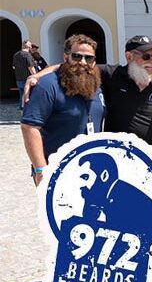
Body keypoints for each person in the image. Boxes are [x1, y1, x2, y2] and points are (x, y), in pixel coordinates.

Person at [25, 35, 152, 161]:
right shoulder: (111, 75)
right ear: (129, 56)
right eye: (146, 56)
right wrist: (36, 76)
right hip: (118, 158)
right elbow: (72, 66)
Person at [21, 34, 106, 187]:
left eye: (89, 58)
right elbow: (29, 127)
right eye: (77, 56)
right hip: (57, 170)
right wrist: (40, 169)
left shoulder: (96, 82)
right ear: (66, 57)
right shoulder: (47, 86)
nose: (83, 62)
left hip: (90, 171)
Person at [12, 40, 36, 109]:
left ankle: (22, 108)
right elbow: (31, 67)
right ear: (29, 47)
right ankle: (28, 110)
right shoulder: (27, 55)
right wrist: (36, 76)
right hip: (27, 79)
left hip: (18, 78)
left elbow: (13, 67)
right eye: (31, 46)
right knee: (28, 95)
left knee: (22, 95)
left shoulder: (16, 55)